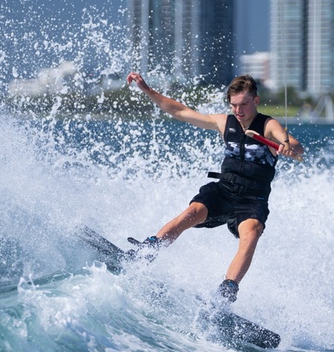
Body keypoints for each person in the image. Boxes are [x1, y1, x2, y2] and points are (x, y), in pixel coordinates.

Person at [125, 72, 304, 303]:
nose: (238, 111)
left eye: (244, 105)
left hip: (252, 200)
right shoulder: (224, 122)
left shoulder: (268, 126)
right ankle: (147, 251)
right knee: (192, 212)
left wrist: (288, 146)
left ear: (256, 101)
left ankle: (226, 292)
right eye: (234, 105)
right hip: (224, 190)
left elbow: (293, 144)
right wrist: (148, 90)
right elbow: (181, 112)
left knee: (251, 233)